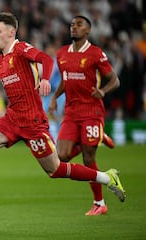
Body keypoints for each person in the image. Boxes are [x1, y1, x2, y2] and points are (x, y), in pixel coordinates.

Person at [0, 12, 126, 233]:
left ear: (11, 32)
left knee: (55, 169)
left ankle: (107, 177)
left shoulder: (20, 49)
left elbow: (45, 59)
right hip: (12, 119)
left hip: (33, 122)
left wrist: (46, 79)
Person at [48, 16, 121, 216]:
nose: (74, 27)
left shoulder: (96, 53)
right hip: (71, 111)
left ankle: (99, 203)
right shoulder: (62, 53)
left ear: (88, 30)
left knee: (89, 159)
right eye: (72, 24)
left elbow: (115, 80)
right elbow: (66, 79)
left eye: (79, 24)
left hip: (91, 111)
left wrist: (103, 92)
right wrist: (55, 98)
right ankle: (98, 137)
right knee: (60, 157)